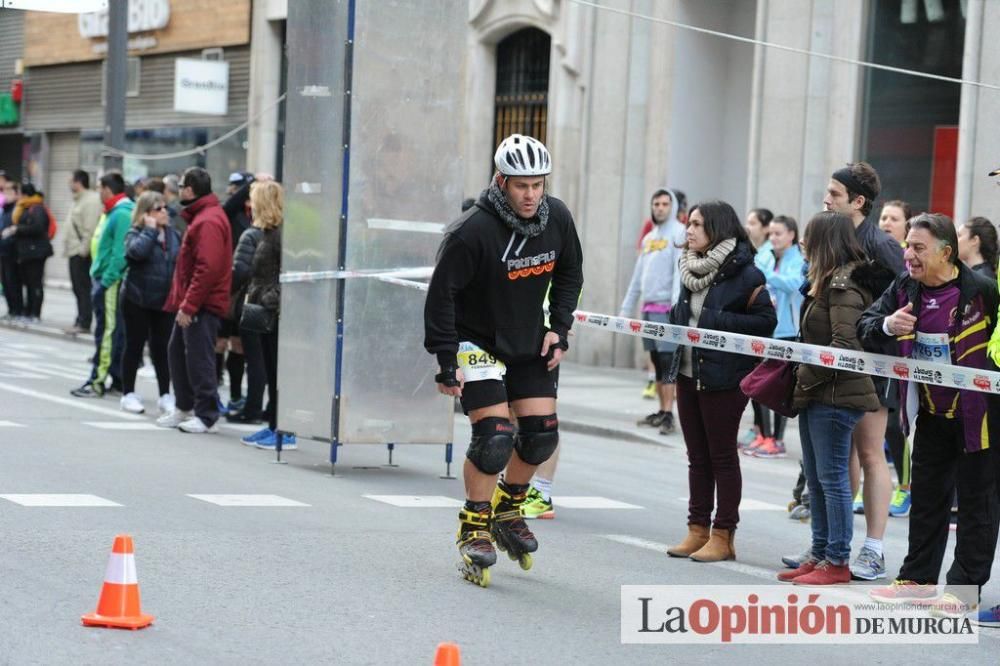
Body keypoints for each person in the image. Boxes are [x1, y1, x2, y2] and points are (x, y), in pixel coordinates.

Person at [424, 133, 583, 587]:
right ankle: (474, 521)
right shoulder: (471, 230)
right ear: (501, 181)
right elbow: (441, 297)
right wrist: (444, 357)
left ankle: (507, 509)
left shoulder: (558, 219)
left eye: (538, 184)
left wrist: (560, 327)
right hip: (476, 341)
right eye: (521, 185)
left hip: (528, 338)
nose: (531, 194)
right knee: (495, 437)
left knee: (539, 436)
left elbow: (571, 271)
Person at [861, 213, 1000, 617]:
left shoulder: (983, 291)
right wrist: (888, 324)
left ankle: (963, 591)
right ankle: (917, 580)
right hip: (930, 414)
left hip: (980, 418)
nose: (909, 255)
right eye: (907, 246)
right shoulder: (905, 287)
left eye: (918, 248)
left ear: (946, 252)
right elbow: (866, 324)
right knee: (926, 500)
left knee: (976, 505)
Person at [664, 201, 776, 563]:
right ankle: (697, 529)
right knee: (697, 457)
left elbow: (764, 325)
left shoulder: (747, 275)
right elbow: (687, 318)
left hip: (725, 376)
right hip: (687, 371)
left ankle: (723, 534)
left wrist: (714, 320)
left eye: (697, 224)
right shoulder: (688, 267)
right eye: (689, 224)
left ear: (717, 228)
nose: (690, 230)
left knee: (722, 456)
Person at [776, 212, 881, 585]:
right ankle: (820, 553)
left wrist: (805, 374)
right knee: (819, 480)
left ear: (824, 243)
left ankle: (836, 560)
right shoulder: (822, 282)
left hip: (836, 395)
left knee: (833, 479)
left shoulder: (843, 285)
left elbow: (844, 344)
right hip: (817, 392)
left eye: (808, 238)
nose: (803, 245)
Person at [822, 161, 902, 581]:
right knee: (841, 454)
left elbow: (908, 295)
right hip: (835, 361)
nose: (826, 199)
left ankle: (874, 550)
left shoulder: (882, 244)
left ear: (858, 201)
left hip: (875, 362)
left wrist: (883, 329)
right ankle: (834, 546)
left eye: (835, 194)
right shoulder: (831, 237)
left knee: (870, 451)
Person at [157, 167, 233, 434]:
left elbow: (207, 268)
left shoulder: (208, 220)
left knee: (199, 358)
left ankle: (206, 413)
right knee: (177, 352)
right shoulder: (203, 216)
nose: (178, 190)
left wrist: (189, 305)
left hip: (202, 303)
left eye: (180, 186)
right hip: (193, 301)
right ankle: (185, 407)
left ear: (189, 190)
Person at [620, 188, 685, 435]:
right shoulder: (649, 238)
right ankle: (661, 410)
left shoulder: (679, 233)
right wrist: (626, 309)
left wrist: (675, 307)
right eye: (656, 203)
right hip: (648, 308)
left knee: (668, 362)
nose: (659, 208)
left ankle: (669, 413)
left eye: (665, 204)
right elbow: (638, 277)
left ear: (673, 206)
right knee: (657, 362)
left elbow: (679, 273)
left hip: (666, 309)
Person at [238, 180, 296, 450]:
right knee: (271, 370)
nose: (250, 205)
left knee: (278, 370)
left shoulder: (280, 234)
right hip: (265, 309)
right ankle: (274, 425)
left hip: (274, 311)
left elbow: (288, 272)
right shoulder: (268, 232)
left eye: (254, 199)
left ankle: (284, 430)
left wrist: (271, 296)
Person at [744, 215, 804, 459]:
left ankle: (777, 440)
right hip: (764, 328)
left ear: (791, 235)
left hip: (787, 332)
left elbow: (794, 283)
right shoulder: (766, 254)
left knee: (780, 387)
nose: (774, 238)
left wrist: (766, 274)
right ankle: (762, 434)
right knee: (757, 384)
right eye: (771, 234)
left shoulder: (797, 258)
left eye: (779, 233)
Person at [119, 191, 180, 415]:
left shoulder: (174, 234)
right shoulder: (135, 232)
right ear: (146, 214)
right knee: (134, 346)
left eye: (165, 208)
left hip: (164, 300)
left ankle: (165, 394)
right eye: (158, 208)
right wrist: (150, 230)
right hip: (137, 298)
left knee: (162, 348)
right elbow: (136, 253)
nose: (164, 212)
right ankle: (128, 394)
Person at [739, 207, 774, 447]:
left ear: (765, 227)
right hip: (750, 323)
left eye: (753, 222)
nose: (748, 226)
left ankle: (767, 434)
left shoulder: (771, 254)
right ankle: (757, 428)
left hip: (770, 325)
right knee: (752, 377)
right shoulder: (752, 252)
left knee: (763, 380)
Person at [1, 184, 54, 322]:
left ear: (23, 194)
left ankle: (34, 314)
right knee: (27, 284)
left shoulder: (36, 207)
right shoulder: (23, 207)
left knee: (34, 284)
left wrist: (16, 229)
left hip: (36, 252)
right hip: (25, 252)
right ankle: (26, 312)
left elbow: (38, 227)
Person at [64, 170, 102, 335]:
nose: (68, 183)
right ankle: (80, 318)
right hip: (74, 251)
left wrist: (82, 251)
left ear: (78, 182)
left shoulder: (91, 201)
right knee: (78, 288)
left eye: (70, 180)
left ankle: (84, 321)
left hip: (82, 254)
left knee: (83, 288)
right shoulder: (78, 200)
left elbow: (90, 229)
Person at [0, 180, 23, 320]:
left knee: (14, 281)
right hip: (3, 250)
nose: (6, 194)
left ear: (16, 194)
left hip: (13, 251)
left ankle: (17, 310)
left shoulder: (17, 209)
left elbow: (17, 229)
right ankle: (11, 309)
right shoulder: (5, 209)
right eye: (5, 191)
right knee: (6, 282)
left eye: (10, 191)